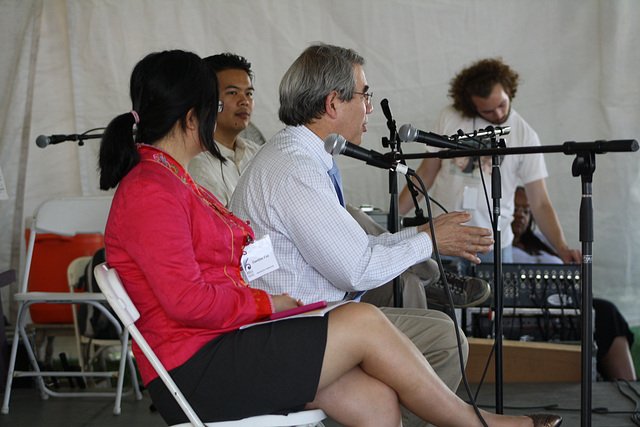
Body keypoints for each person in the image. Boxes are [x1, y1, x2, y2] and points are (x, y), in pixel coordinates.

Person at [97, 49, 560, 427]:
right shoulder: (151, 191)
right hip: (196, 367)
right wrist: (269, 304)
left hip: (225, 343)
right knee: (362, 320)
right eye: (217, 104)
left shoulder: (172, 181)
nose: (227, 113)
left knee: (376, 401)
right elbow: (186, 303)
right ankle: (477, 424)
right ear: (193, 114)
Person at [189, 53, 489, 309]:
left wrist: (422, 236)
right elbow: (355, 270)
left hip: (323, 297)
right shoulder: (294, 166)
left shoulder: (274, 151)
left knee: (408, 286)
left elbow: (355, 257)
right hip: (299, 317)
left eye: (249, 93)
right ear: (332, 103)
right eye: (365, 96)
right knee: (445, 339)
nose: (370, 107)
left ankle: (427, 275)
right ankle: (430, 276)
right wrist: (427, 241)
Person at [398, 58, 580, 275]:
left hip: (493, 245)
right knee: (439, 307)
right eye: (488, 112)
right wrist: (391, 220)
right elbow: (425, 174)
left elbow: (539, 202)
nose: (499, 115)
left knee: (492, 308)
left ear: (509, 90)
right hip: (443, 236)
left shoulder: (525, 134)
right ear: (472, 105)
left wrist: (561, 247)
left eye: (502, 105)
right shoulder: (450, 116)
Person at [512, 187, 636, 381]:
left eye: (527, 210)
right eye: (515, 208)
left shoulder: (541, 240)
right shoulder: (500, 247)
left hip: (565, 301)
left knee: (607, 312)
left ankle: (629, 389)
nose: (521, 215)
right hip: (529, 307)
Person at [188, 53, 260, 207]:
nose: (244, 101)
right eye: (233, 93)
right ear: (206, 100)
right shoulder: (197, 164)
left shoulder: (258, 153)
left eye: (249, 94)